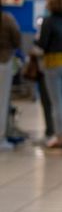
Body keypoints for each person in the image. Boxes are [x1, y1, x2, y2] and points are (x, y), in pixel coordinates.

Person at [36, 0, 62, 149]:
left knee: (55, 102)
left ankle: (59, 136)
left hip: (52, 64)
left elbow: (42, 44)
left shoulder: (48, 21)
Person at [0, 9, 21, 151]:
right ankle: (1, 138)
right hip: (3, 60)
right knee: (2, 101)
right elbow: (17, 39)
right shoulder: (6, 19)